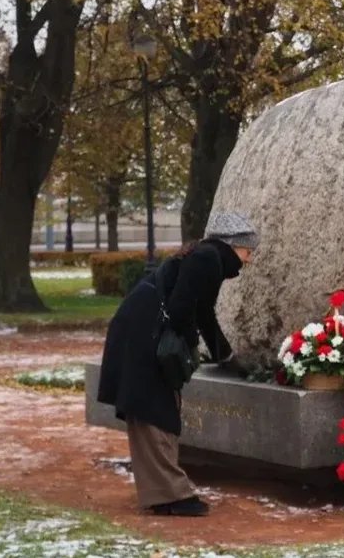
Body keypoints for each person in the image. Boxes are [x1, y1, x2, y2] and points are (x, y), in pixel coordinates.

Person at [97, 211, 258, 516]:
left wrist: (225, 356)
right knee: (154, 410)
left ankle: (165, 493)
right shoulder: (209, 259)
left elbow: (202, 312)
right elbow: (183, 308)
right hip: (145, 333)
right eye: (248, 252)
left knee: (155, 409)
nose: (248, 260)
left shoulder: (208, 257)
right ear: (234, 245)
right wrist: (191, 347)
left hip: (141, 327)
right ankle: (169, 495)